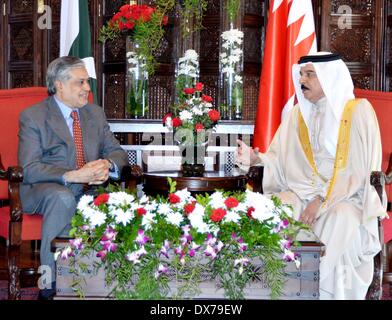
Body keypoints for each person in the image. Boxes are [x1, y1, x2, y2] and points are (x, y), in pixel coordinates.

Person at [236, 52, 386, 299]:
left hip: (346, 198)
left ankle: (317, 292)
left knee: (341, 218)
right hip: (300, 194)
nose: (302, 79)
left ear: (329, 78)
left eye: (309, 74)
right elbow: (279, 159)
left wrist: (322, 200)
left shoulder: (358, 112)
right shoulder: (298, 115)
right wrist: (257, 160)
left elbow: (361, 171)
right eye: (301, 74)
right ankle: (275, 288)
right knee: (277, 206)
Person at [18, 56, 130, 299]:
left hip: (90, 189)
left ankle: (111, 285)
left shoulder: (95, 114)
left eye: (87, 82)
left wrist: (106, 164)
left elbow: (118, 153)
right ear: (59, 84)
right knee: (63, 197)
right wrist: (71, 175)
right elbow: (29, 168)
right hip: (45, 188)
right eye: (81, 82)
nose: (87, 88)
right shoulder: (34, 116)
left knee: (123, 202)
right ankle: (50, 287)